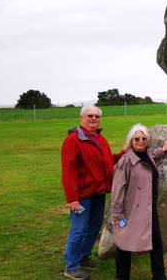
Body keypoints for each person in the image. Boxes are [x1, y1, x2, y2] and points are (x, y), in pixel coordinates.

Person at [110, 124, 167, 280]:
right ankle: (122, 276)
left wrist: (164, 148)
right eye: (136, 138)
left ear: (147, 140)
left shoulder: (147, 155)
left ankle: (159, 275)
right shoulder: (125, 161)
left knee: (156, 241)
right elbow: (117, 190)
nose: (140, 141)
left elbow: (151, 155)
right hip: (131, 210)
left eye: (143, 138)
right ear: (131, 141)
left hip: (149, 208)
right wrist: (117, 216)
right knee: (124, 243)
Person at [61, 106, 116, 280]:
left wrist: (128, 153)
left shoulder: (99, 138)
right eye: (90, 116)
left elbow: (108, 160)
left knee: (93, 226)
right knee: (79, 229)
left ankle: (83, 258)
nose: (93, 118)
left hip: (98, 192)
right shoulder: (73, 140)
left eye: (96, 116)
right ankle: (71, 266)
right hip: (82, 195)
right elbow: (68, 171)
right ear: (81, 117)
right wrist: (72, 199)